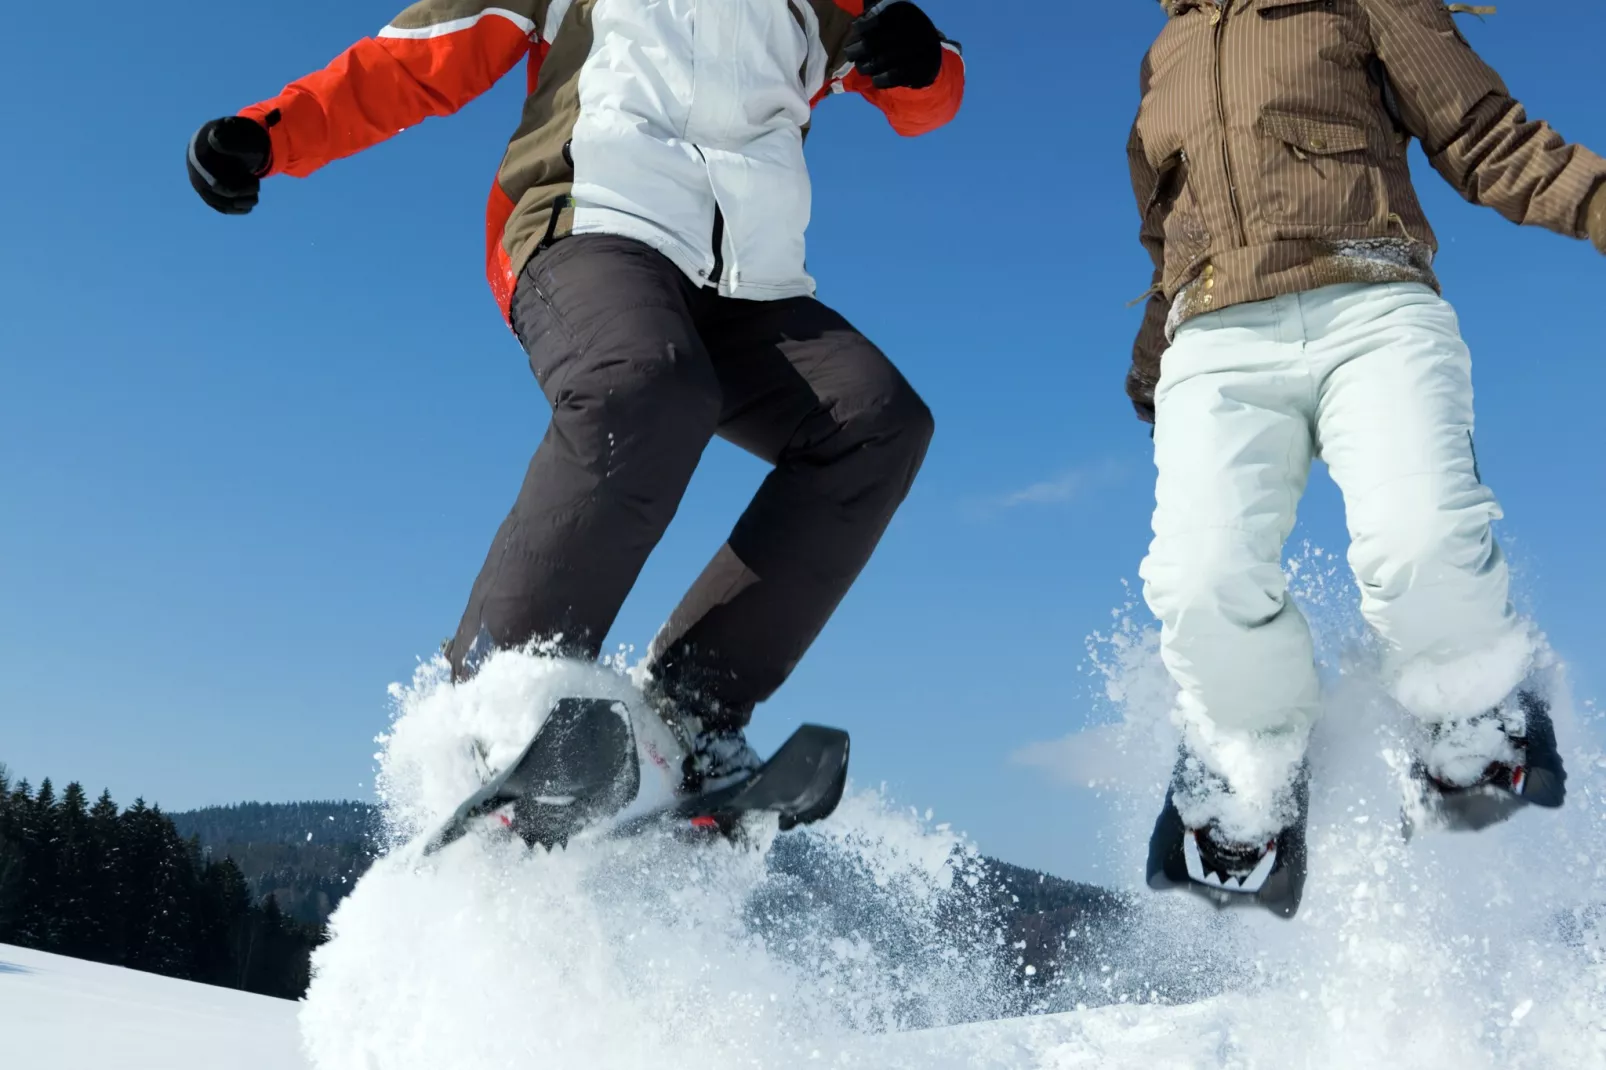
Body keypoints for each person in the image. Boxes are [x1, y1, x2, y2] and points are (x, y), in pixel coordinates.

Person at [187, 0, 964, 799]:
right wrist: (275, 130)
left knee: (876, 422)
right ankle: (501, 704)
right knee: (647, 385)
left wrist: (923, 64)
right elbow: (418, 59)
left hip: (745, 284)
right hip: (589, 225)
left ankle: (692, 713)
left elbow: (924, 93)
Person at [1126, 0, 1601, 915]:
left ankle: (1472, 706)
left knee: (1417, 540)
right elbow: (1167, 243)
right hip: (1215, 341)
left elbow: (1482, 133)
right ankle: (1251, 767)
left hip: (1371, 302)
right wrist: (1154, 372)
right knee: (1199, 581)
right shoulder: (1165, 57)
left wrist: (1597, 200)